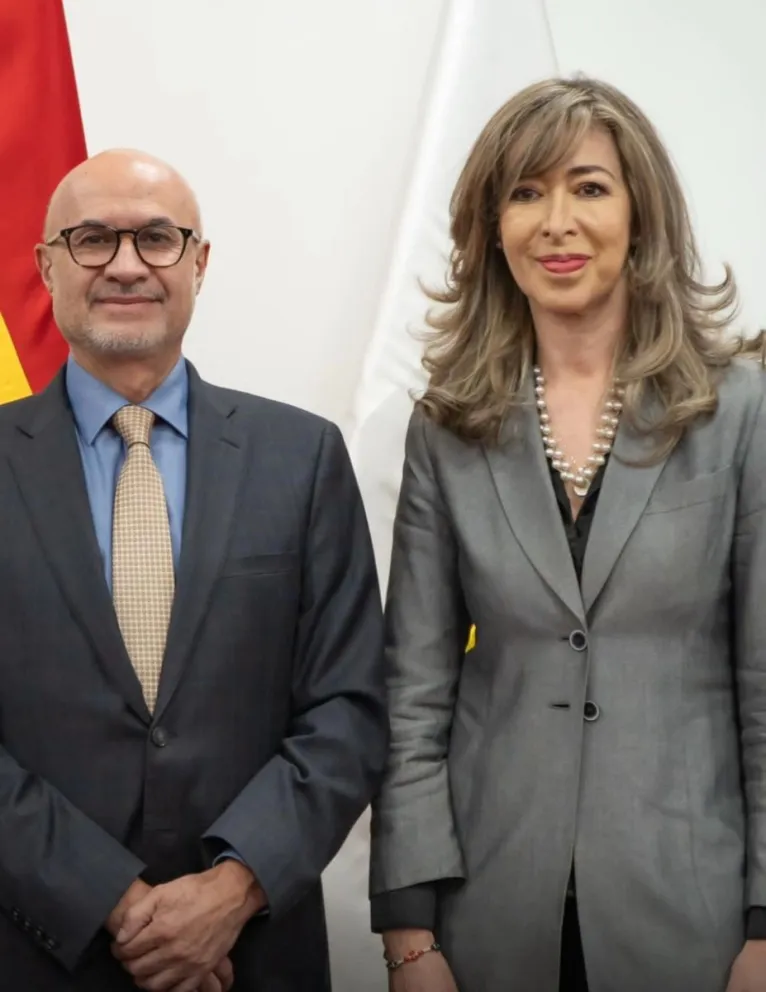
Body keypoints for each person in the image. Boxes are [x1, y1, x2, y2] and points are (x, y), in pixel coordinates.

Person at [368, 76, 766, 992]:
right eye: (525, 191)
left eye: (588, 187)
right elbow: (414, 698)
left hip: (692, 916)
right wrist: (408, 936)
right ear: (491, 225)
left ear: (641, 216)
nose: (556, 221)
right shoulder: (446, 425)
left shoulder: (739, 410)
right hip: (488, 914)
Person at [0, 148, 388, 991]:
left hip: (252, 954)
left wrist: (229, 891)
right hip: (35, 954)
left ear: (200, 263)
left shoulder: (304, 457)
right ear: (46, 267)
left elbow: (351, 709)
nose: (128, 264)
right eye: (92, 238)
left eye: (158, 238)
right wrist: (111, 901)